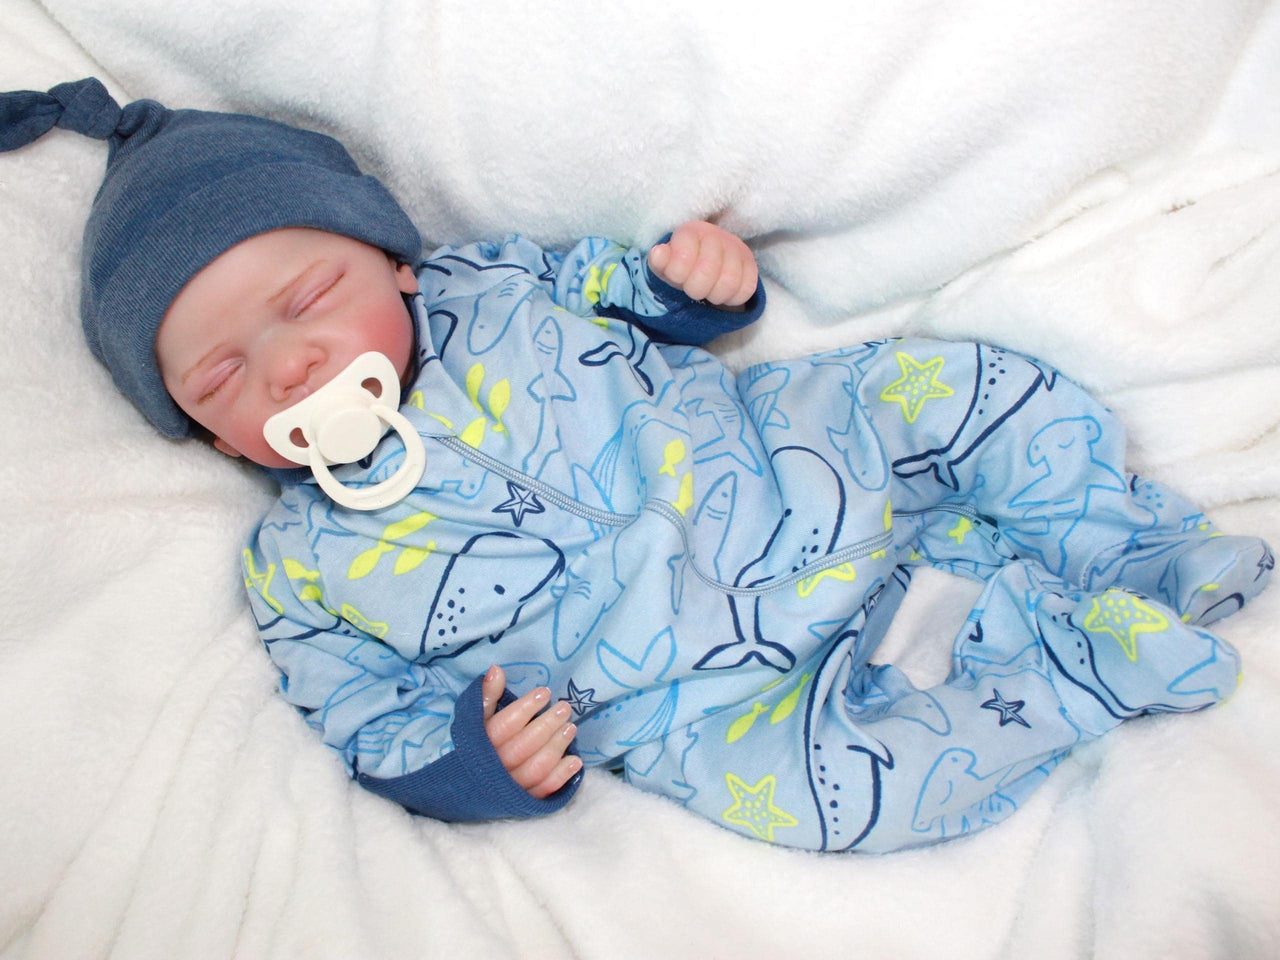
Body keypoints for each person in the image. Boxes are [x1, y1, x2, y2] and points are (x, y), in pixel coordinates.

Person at [3, 78, 1272, 852]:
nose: (284, 365)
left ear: (393, 258)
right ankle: (1077, 664)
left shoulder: (492, 286)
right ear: (204, 434)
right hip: (703, 699)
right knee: (834, 804)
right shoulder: (302, 571)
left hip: (798, 463)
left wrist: (693, 286)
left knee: (970, 387)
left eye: (310, 293)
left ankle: (1126, 544)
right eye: (220, 377)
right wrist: (467, 765)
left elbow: (635, 287)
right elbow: (356, 712)